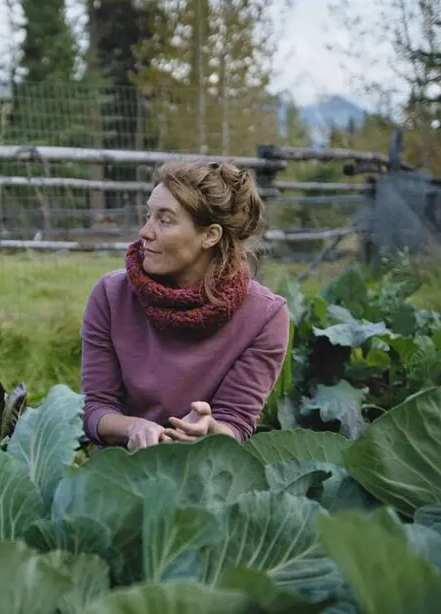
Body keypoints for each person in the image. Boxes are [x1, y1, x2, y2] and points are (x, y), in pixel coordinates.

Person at [80, 159, 290, 452]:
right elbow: (96, 410)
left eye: (164, 220)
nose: (144, 231)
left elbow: (236, 422)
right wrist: (133, 428)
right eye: (148, 215)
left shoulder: (266, 316)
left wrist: (210, 428)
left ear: (210, 235)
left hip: (205, 479)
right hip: (119, 476)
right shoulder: (111, 295)